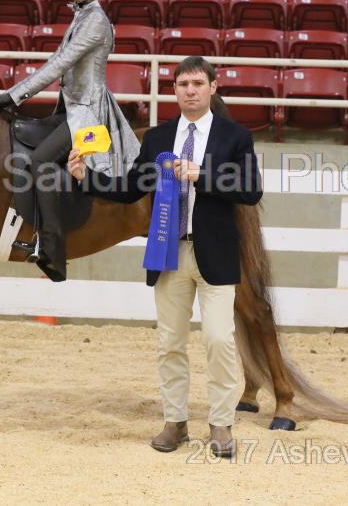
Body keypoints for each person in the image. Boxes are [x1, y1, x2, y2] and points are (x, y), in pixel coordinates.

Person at [67, 56, 263, 459]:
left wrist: (200, 175)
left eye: (197, 83)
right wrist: (87, 178)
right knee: (170, 342)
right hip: (168, 251)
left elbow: (250, 189)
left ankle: (221, 424)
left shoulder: (235, 136)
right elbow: (131, 188)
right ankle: (175, 422)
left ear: (213, 87)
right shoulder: (158, 138)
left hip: (215, 254)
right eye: (183, 84)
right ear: (174, 90)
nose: (190, 91)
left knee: (219, 340)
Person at [0, 0, 140, 282]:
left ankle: (52, 248)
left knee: (41, 160)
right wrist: (12, 95)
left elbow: (60, 64)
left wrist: (14, 95)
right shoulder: (81, 15)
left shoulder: (95, 20)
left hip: (90, 116)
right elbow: (55, 61)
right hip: (70, 109)